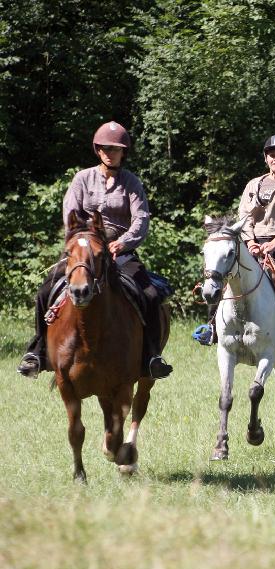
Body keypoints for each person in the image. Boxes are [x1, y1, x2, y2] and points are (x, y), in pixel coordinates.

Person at [17, 121, 172, 379]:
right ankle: (38, 351)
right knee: (45, 290)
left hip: (119, 251)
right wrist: (82, 240)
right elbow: (70, 212)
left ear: (124, 152)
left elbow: (141, 219)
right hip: (84, 250)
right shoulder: (82, 179)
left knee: (151, 293)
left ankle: (151, 356)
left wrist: (125, 241)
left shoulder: (131, 183)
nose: (110, 153)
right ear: (98, 150)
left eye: (116, 149)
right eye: (105, 148)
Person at [194, 135, 275, 352]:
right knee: (221, 274)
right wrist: (250, 242)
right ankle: (210, 327)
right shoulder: (253, 184)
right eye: (272, 155)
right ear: (266, 158)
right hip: (252, 242)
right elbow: (244, 215)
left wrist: (274, 244)